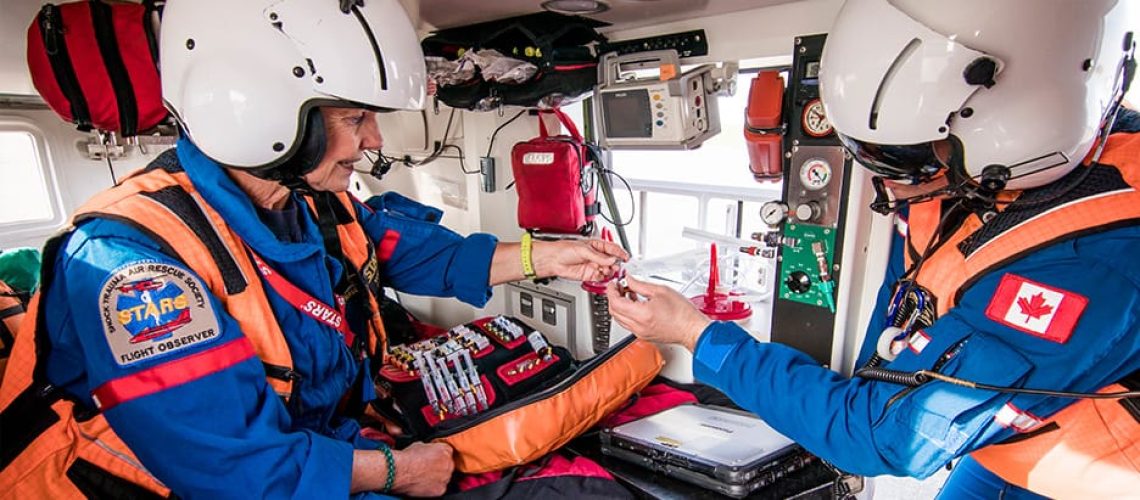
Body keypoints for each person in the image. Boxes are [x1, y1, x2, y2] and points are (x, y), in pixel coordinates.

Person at [0, 0, 626, 498]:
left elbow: (423, 254)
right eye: (356, 118)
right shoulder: (135, 268)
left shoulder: (309, 201)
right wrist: (396, 472)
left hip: (316, 452)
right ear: (260, 115)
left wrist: (547, 256)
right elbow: (235, 470)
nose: (372, 140)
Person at [608, 0, 1140, 498]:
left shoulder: (1094, 262)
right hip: (1006, 445)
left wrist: (696, 334)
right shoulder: (961, 178)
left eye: (897, 163)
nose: (883, 186)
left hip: (1086, 473)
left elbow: (884, 437)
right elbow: (912, 297)